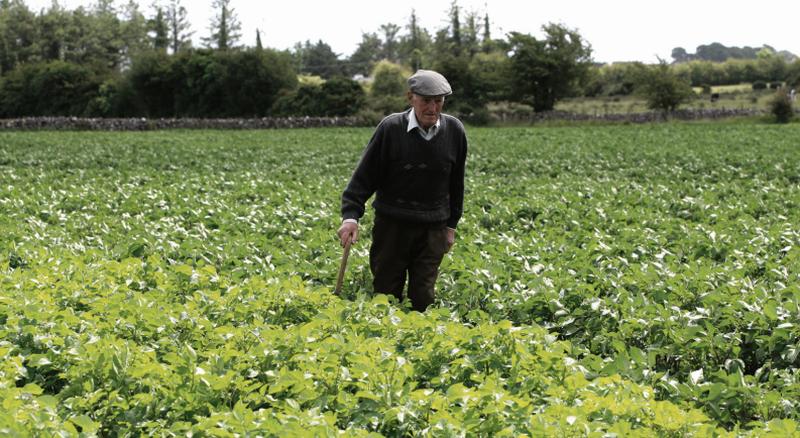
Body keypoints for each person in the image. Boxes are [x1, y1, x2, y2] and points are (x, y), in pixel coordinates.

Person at [337, 69, 468, 312]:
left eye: (438, 101)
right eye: (426, 101)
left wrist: (451, 226)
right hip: (392, 227)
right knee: (386, 294)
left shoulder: (455, 131)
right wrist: (350, 216)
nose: (432, 107)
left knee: (423, 296)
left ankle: (420, 344)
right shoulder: (390, 128)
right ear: (411, 98)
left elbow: (456, 185)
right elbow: (364, 177)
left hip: (433, 229)